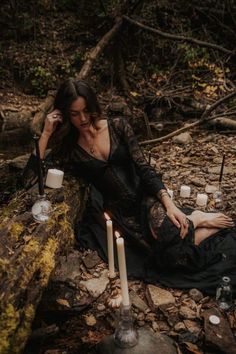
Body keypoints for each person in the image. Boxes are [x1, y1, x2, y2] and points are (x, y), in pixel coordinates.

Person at [22, 78, 236, 295]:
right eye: (75, 113)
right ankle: (196, 222)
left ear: (93, 106)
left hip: (146, 199)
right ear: (66, 113)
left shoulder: (118, 126)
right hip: (121, 214)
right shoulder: (69, 149)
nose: (83, 118)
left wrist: (169, 204)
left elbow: (144, 169)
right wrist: (46, 133)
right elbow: (31, 178)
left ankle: (195, 218)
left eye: (86, 110)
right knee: (173, 260)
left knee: (172, 237)